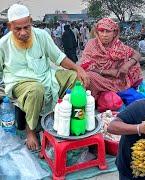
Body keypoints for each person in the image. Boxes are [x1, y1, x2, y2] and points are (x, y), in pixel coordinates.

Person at [0, 4, 89, 150]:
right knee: (36, 89)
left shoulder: (41, 35)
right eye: (18, 29)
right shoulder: (3, 44)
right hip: (19, 83)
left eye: (26, 27)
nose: (23, 32)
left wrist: (78, 68)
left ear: (31, 21)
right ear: (10, 26)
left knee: (75, 78)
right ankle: (31, 130)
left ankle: (67, 119)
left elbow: (59, 58)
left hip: (47, 77)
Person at [80, 18, 143, 99]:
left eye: (108, 31)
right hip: (99, 78)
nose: (104, 35)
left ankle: (116, 91)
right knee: (89, 76)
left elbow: (137, 54)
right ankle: (112, 93)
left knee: (134, 65)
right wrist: (107, 72)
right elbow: (85, 66)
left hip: (117, 79)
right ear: (97, 32)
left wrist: (126, 66)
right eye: (101, 31)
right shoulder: (91, 45)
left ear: (114, 33)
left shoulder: (118, 45)